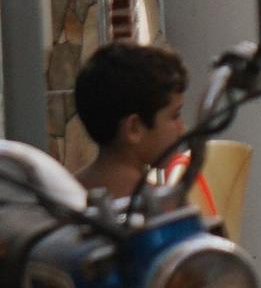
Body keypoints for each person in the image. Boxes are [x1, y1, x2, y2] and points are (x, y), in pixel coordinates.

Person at [72, 41, 190, 198]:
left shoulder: (62, 198)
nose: (183, 129)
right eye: (175, 116)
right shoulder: (165, 208)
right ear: (134, 128)